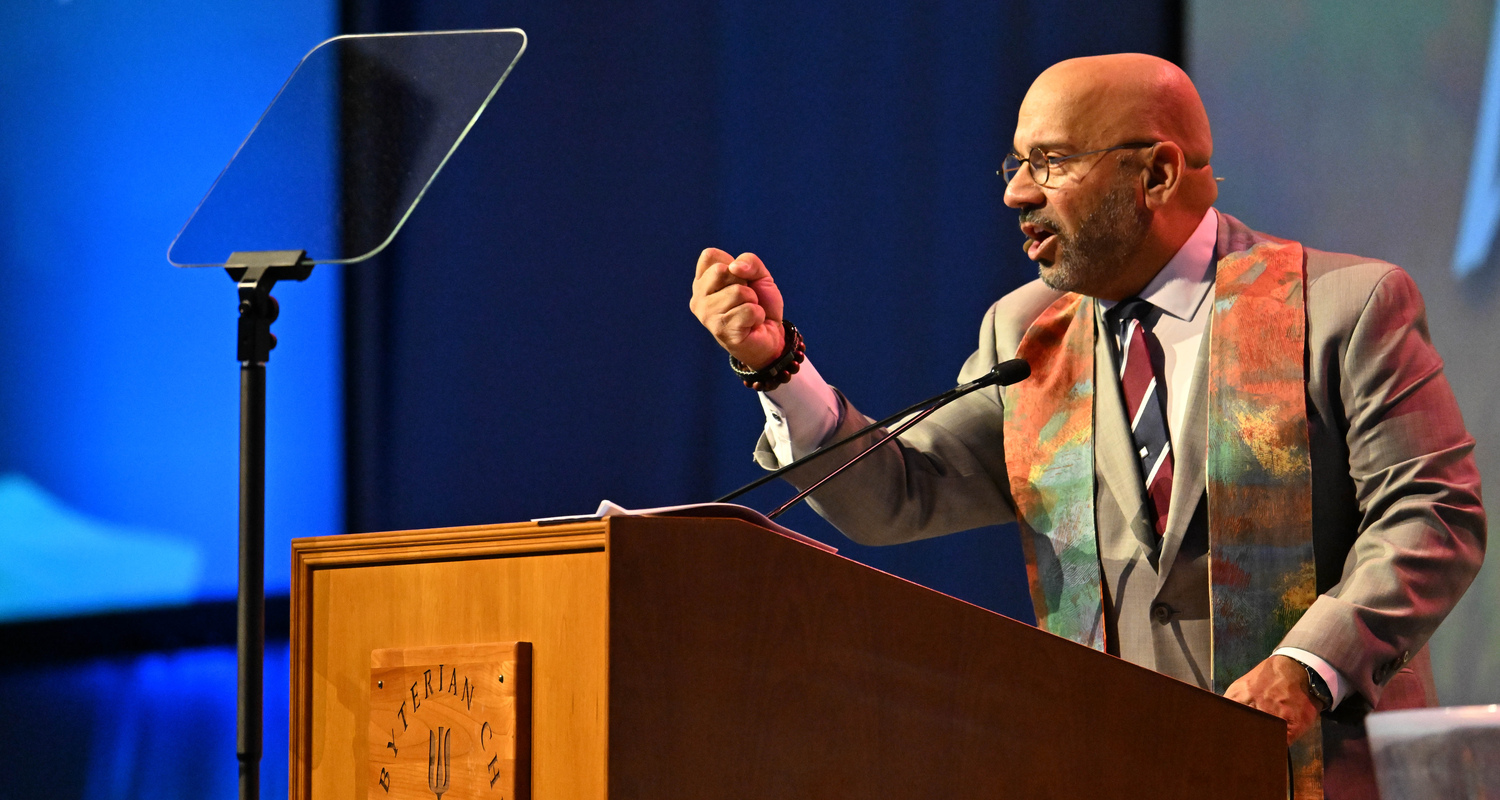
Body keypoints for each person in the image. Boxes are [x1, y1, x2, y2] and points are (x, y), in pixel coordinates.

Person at [688, 54, 1485, 800]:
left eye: (1051, 162)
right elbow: (896, 495)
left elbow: (1434, 516)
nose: (1016, 194)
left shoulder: (1344, 307)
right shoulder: (1029, 333)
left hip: (1324, 773)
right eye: (1016, 165)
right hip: (1117, 765)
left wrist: (1310, 667)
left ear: (1157, 172)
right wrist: (777, 369)